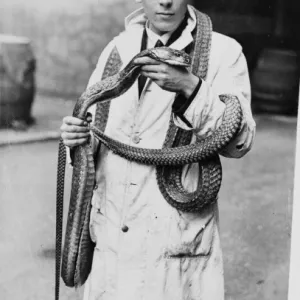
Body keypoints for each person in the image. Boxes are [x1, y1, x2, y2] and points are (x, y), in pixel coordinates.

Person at [60, 0, 256, 299]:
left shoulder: (223, 52)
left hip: (172, 241)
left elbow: (239, 142)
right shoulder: (117, 49)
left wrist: (191, 87)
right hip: (113, 235)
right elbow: (99, 130)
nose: (165, 1)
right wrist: (78, 137)